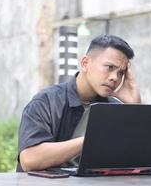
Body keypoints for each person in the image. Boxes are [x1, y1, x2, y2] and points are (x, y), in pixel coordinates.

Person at [17, 34, 141, 172]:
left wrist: (135, 109)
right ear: (85, 63)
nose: (115, 78)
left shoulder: (114, 108)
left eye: (121, 73)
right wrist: (90, 138)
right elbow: (29, 160)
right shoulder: (47, 101)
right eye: (109, 67)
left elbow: (136, 161)